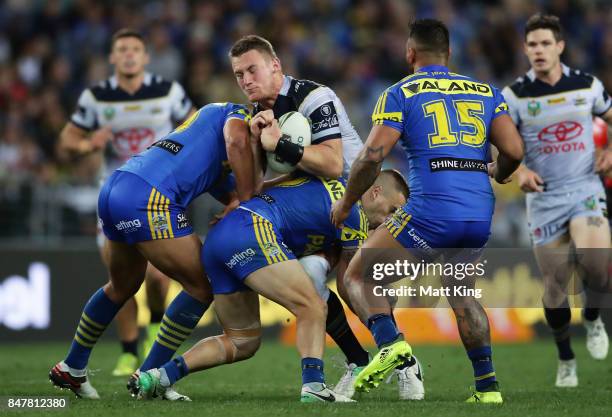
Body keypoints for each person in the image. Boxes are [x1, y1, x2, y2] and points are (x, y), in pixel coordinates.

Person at [331, 19, 524, 404]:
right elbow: (515, 152)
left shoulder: (400, 92)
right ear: (449, 55)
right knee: (462, 293)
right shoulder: (487, 92)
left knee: (358, 276)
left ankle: (391, 345)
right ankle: (487, 388)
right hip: (477, 215)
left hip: (430, 213)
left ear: (410, 54)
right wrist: (498, 173)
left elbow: (371, 158)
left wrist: (348, 201)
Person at [228, 35, 423, 399]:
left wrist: (278, 145)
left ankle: (405, 362)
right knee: (309, 281)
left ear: (276, 66)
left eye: (252, 69)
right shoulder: (257, 115)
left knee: (354, 284)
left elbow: (333, 164)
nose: (246, 80)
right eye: (239, 74)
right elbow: (295, 171)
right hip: (318, 207)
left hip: (353, 198)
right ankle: (357, 360)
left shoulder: (314, 97)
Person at [132, 164, 408, 402]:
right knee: (311, 304)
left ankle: (160, 377)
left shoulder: (328, 180)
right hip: (253, 228)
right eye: (393, 210)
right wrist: (380, 313)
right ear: (374, 192)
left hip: (220, 238)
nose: (389, 221)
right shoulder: (355, 212)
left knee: (242, 341)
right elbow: (350, 283)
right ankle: (314, 386)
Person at [49, 102, 256, 399]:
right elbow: (238, 147)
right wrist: (247, 196)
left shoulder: (210, 135)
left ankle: (72, 366)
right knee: (202, 285)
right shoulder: (238, 115)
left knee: (122, 286)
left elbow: (230, 189)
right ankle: (151, 375)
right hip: (149, 199)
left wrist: (241, 197)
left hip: (116, 187)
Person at [57, 28, 196, 377]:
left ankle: (153, 332)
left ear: (146, 57)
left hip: (160, 195)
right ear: (112, 57)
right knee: (121, 281)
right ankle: (129, 351)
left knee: (158, 280)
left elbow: (197, 126)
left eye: (136, 48)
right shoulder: (97, 98)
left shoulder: (168, 92)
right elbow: (67, 141)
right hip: (116, 197)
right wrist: (90, 144)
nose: (130, 54)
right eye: (122, 49)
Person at [502, 14, 612, 387]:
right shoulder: (514, 96)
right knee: (555, 285)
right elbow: (496, 146)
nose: (538, 50)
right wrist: (519, 173)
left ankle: (593, 317)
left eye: (545, 43)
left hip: (584, 189)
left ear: (560, 46)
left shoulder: (587, 86)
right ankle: (566, 358)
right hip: (545, 199)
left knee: (598, 267)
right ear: (525, 49)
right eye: (532, 44)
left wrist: (610, 149)